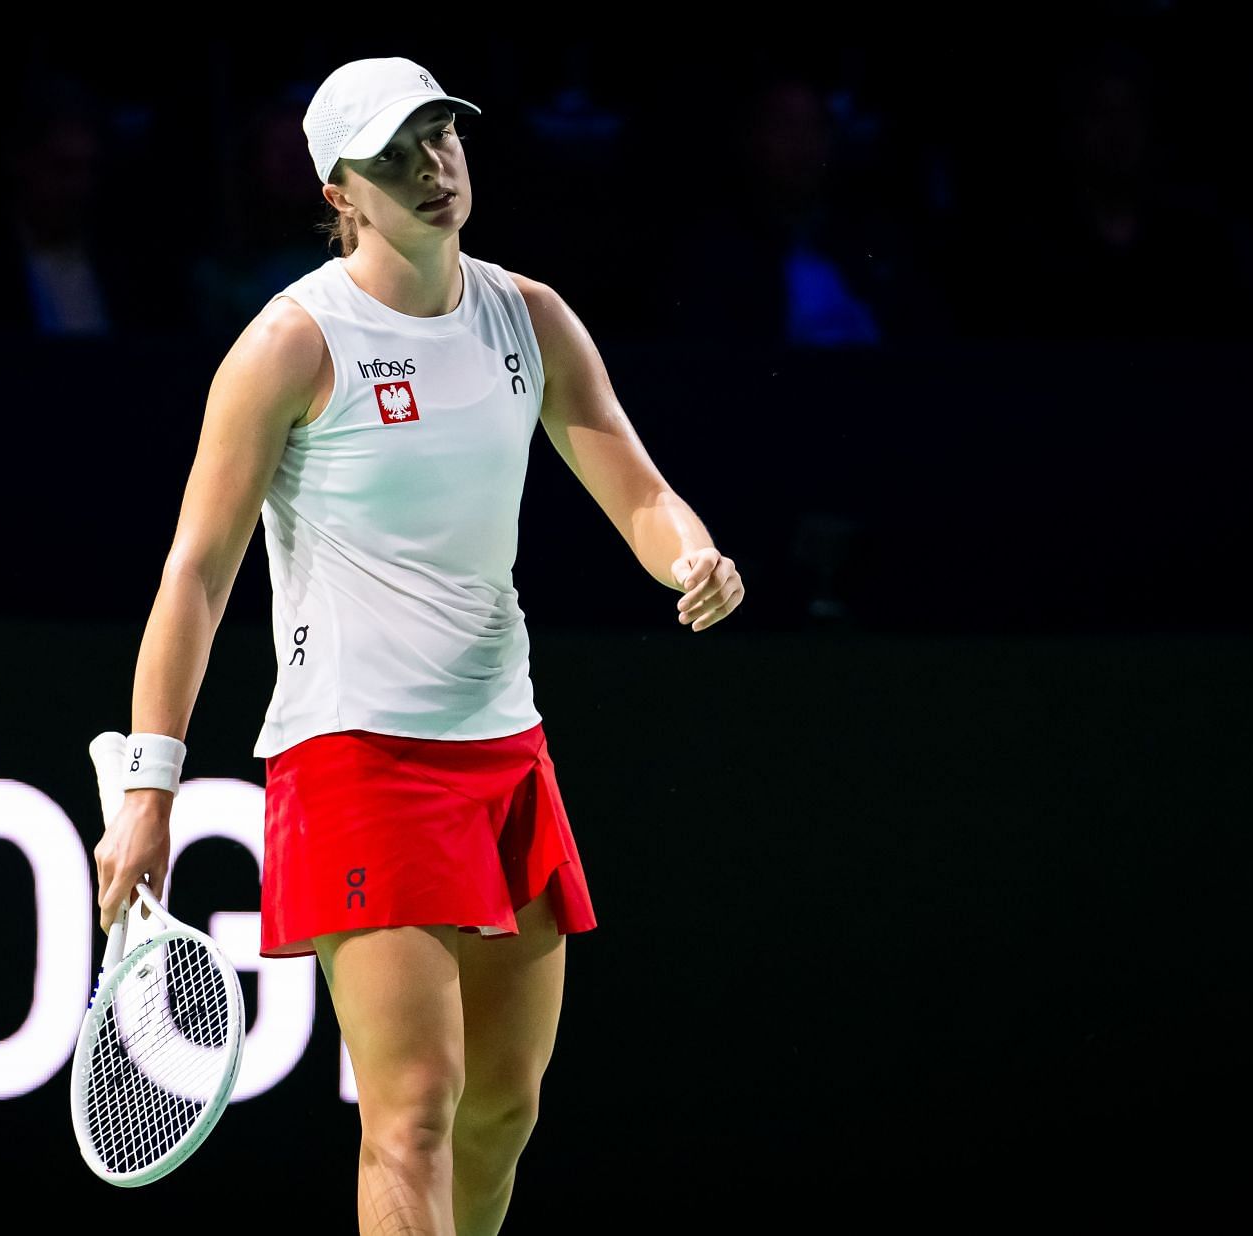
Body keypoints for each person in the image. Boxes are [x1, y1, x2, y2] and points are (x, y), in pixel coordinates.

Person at [89, 56, 744, 1235]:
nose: (433, 169)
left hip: (505, 751)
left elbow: (638, 489)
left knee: (504, 1107)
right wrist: (151, 787)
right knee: (415, 1112)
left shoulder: (529, 316)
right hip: (355, 756)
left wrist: (691, 556)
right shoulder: (292, 344)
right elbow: (194, 572)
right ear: (340, 190)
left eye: (442, 137)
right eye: (395, 157)